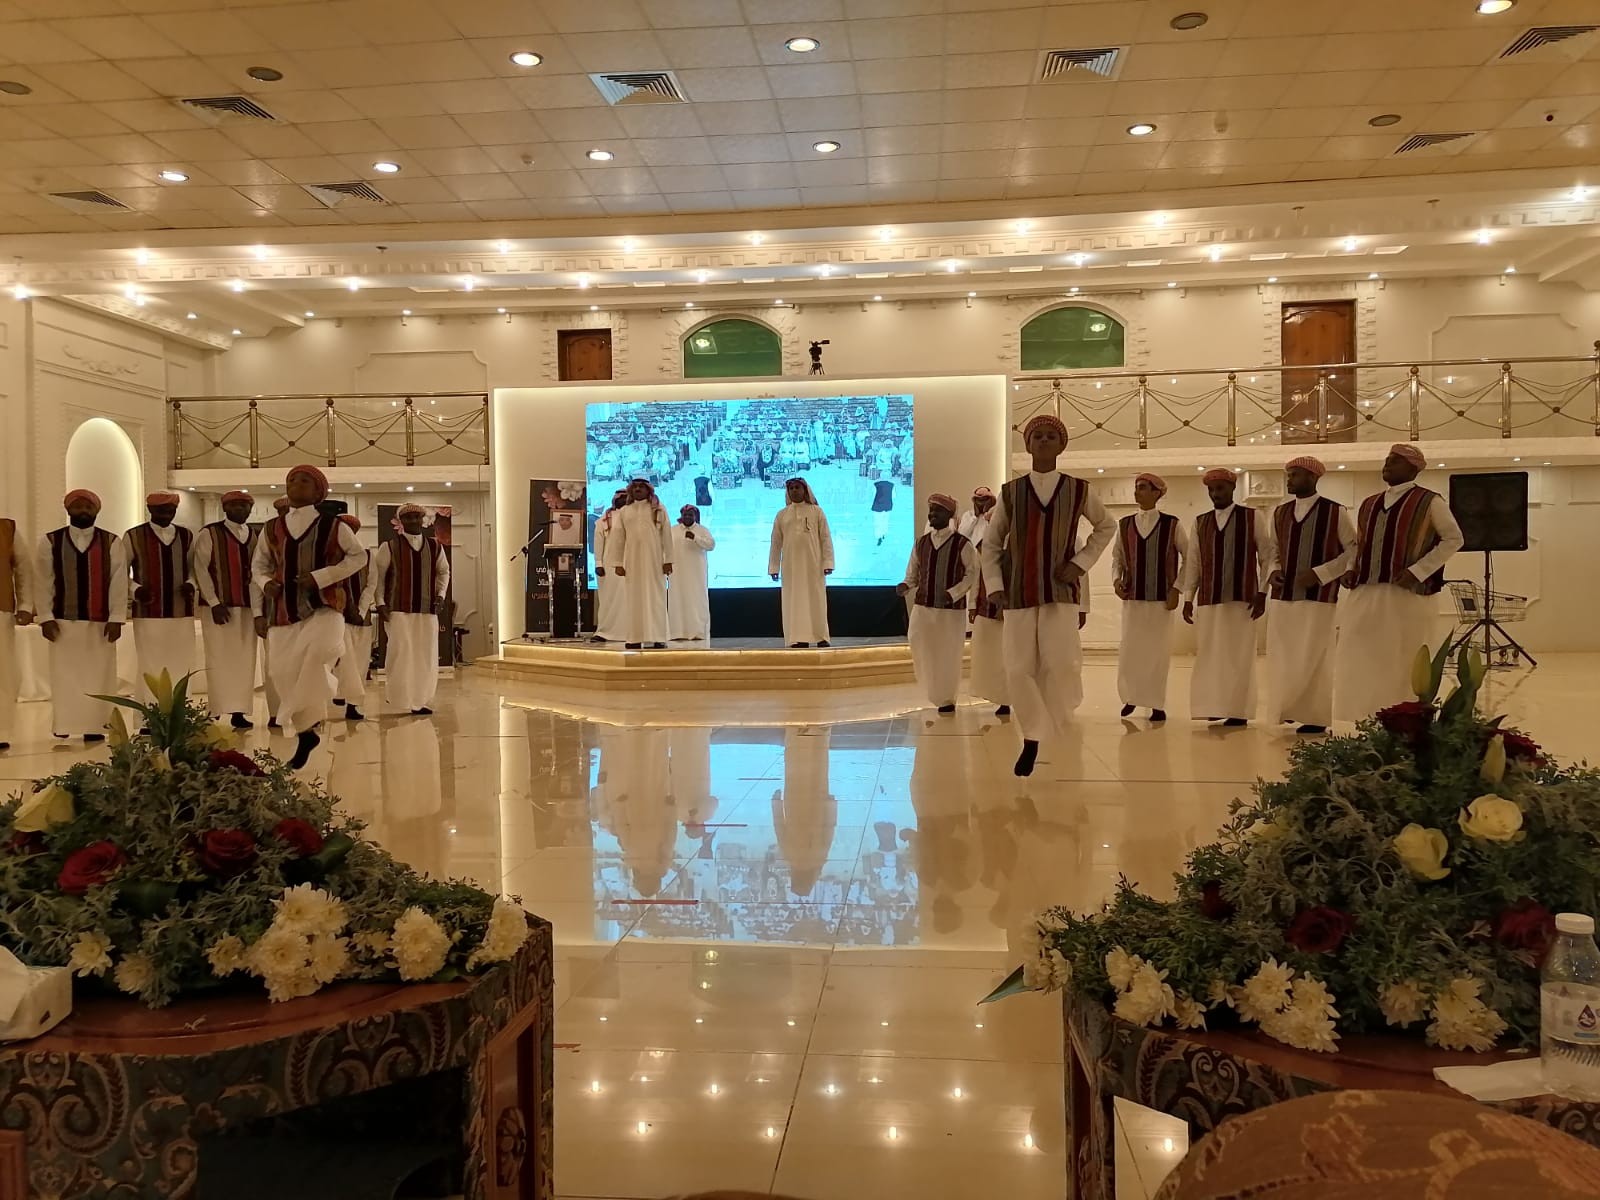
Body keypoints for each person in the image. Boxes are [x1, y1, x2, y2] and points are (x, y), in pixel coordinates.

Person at [979, 414, 1116, 776]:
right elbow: (992, 543)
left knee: (1061, 663)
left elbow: (1106, 526)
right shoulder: (1011, 492)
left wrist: (1080, 564)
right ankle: (1032, 736)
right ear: (1027, 445)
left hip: (1060, 591)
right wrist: (995, 586)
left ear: (1061, 445)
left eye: (1050, 436)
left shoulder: (1079, 490)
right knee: (1017, 666)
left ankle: (1050, 722)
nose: (1042, 441)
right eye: (1036, 436)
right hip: (1018, 591)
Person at [1335, 443, 1464, 721]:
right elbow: (1360, 544)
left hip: (1408, 595)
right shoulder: (1369, 503)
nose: (1388, 464)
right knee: (1361, 653)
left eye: (1396, 460)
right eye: (1387, 459)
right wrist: (1350, 568)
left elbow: (1454, 539)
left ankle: (1403, 718)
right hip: (1366, 591)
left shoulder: (1430, 501)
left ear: (1413, 468)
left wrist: (1418, 571)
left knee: (1404, 656)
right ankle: (1364, 716)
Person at [251, 465, 365, 770]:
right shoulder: (271, 528)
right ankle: (306, 732)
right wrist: (265, 583)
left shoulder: (334, 526)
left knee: (321, 652)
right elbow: (259, 565)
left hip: (325, 606)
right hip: (283, 610)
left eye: (304, 481)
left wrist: (321, 577)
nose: (295, 485)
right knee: (281, 672)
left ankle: (309, 714)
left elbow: (358, 557)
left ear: (318, 492)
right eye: (291, 480)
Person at [1266, 456, 1357, 734]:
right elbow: (1273, 550)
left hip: (1319, 597)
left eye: (1295, 474)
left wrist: (1320, 573)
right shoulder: (1280, 513)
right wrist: (1273, 570)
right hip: (1284, 595)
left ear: (1313, 477)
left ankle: (1314, 717)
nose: (1289, 479)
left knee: (1315, 655)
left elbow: (1353, 549)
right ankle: (1287, 709)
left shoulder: (1335, 511)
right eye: (1289, 474)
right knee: (1284, 655)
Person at [1181, 469, 1274, 728]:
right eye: (1211, 490)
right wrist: (1188, 597)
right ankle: (1214, 706)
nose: (1215, 494)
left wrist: (1262, 593)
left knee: (1239, 656)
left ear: (1232, 488)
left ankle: (1238, 710)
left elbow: (1266, 557)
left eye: (1220, 488)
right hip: (1209, 598)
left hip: (1242, 598)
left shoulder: (1252, 517)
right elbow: (1194, 562)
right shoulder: (1200, 522)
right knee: (1210, 654)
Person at [36, 490, 127, 742]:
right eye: (77, 506)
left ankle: (95, 725)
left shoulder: (112, 541)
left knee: (99, 675)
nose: (83, 510)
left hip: (101, 622)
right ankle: (64, 723)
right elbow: (43, 581)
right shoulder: (50, 541)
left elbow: (118, 581)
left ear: (97, 510)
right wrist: (45, 617)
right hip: (62, 621)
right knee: (64, 675)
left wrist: (117, 617)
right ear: (67, 510)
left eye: (88, 506)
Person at [1113, 472, 1187, 723]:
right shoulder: (1124, 524)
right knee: (1131, 650)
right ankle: (1131, 697)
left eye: (1143, 487)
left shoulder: (1172, 524)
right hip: (1132, 598)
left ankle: (1156, 704)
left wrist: (1177, 589)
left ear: (1157, 493)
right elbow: (1117, 557)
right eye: (1136, 487)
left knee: (1157, 652)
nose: (1138, 491)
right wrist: (1116, 580)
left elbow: (1190, 558)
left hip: (1160, 601)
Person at [897, 493, 978, 713]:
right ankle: (932, 691)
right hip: (923, 606)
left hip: (951, 612)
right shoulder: (921, 543)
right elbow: (912, 573)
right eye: (931, 510)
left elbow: (972, 574)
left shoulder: (963, 544)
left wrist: (954, 593)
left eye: (937, 511)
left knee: (948, 653)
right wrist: (905, 585)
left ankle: (947, 699)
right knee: (919, 644)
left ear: (949, 514)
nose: (932, 514)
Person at [373, 503, 451, 714]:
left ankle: (421, 700)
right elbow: (378, 578)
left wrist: (440, 595)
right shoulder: (389, 547)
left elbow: (444, 572)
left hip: (427, 609)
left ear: (423, 519)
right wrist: (380, 603)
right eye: (408, 517)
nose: (413, 521)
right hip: (398, 609)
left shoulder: (435, 546)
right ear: (401, 521)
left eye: (417, 517)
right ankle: (400, 697)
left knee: (425, 654)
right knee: (400, 654)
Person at [193, 489, 260, 730]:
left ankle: (239, 711)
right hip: (219, 608)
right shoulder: (209, 533)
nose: (240, 509)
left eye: (244, 505)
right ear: (225, 508)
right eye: (234, 505)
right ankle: (216, 709)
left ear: (250, 509)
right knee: (218, 657)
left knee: (245, 659)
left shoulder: (254, 535)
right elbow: (200, 569)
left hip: (247, 606)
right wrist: (214, 602)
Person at [125, 491, 197, 704]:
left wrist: (191, 584)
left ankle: (180, 711)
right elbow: (119, 572)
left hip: (181, 612)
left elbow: (195, 568)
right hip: (148, 612)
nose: (166, 513)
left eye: (170, 509)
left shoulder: (186, 536)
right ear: (150, 509)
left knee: (182, 661)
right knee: (150, 662)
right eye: (160, 509)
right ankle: (151, 712)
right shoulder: (133, 536)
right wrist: (135, 589)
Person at [768, 477, 834, 648]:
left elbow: (826, 538)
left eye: (798, 487)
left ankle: (821, 636)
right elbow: (776, 543)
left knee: (816, 600)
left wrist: (828, 563)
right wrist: (774, 567)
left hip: (814, 565)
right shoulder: (782, 515)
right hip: (791, 568)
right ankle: (798, 638)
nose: (794, 491)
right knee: (794, 602)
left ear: (805, 490)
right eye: (791, 488)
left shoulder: (817, 512)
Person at [609, 478, 674, 650]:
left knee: (656, 597)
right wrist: (618, 562)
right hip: (632, 562)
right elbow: (618, 538)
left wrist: (668, 560)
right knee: (634, 598)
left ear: (648, 490)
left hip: (655, 561)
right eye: (635, 487)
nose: (638, 489)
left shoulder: (658, 509)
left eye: (641, 487)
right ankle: (634, 638)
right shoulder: (625, 511)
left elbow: (667, 535)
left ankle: (659, 637)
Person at [963, 487, 1009, 717]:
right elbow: (977, 577)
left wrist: (1004, 606)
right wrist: (973, 605)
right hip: (984, 608)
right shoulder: (981, 546)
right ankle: (997, 696)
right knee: (986, 655)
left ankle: (1008, 699)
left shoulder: (1013, 546)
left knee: (1007, 655)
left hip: (1008, 610)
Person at [331, 514, 371, 722]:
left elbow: (371, 585)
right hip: (333, 616)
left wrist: (360, 611)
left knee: (359, 662)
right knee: (335, 661)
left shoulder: (367, 556)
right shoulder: (327, 557)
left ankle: (353, 705)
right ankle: (330, 700)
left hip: (360, 619)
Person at [0, 514, 33, 751]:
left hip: (0, 611)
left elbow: (23, 569)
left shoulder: (6, 529)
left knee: (2, 673)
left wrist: (25, 605)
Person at [261, 495, 291, 728]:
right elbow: (257, 573)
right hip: (275, 610)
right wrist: (257, 614)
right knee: (275, 664)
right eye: (285, 511)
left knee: (307, 665)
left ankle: (307, 714)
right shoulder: (269, 534)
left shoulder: (318, 531)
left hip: (309, 610)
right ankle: (276, 713)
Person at [667, 504, 715, 642]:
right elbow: (666, 548)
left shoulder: (702, 530)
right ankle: (677, 632)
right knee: (677, 599)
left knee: (696, 601)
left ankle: (697, 631)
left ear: (695, 516)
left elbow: (711, 545)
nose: (687, 517)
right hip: (677, 573)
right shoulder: (673, 530)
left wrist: (695, 538)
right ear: (681, 516)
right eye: (685, 515)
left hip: (696, 574)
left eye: (690, 515)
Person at [590, 489, 627, 643]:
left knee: (628, 599)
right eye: (620, 498)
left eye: (625, 497)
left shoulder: (634, 518)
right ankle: (605, 631)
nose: (622, 500)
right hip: (609, 566)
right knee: (608, 599)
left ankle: (630, 632)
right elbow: (598, 542)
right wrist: (598, 563)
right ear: (614, 500)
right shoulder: (604, 520)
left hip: (630, 565)